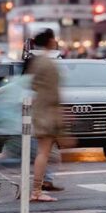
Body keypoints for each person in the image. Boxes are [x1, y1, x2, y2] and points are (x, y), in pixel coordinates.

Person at [0, 69, 62, 190]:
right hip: (21, 128)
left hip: (8, 126)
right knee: (48, 155)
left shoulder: (14, 83)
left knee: (8, 153)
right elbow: (27, 102)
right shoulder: (29, 86)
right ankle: (45, 182)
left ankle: (46, 180)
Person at [26, 29, 65, 201]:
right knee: (44, 152)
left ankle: (37, 189)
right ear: (50, 41)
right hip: (47, 112)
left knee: (45, 152)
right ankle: (36, 190)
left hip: (40, 110)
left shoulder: (36, 62)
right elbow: (53, 94)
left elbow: (33, 86)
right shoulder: (48, 64)